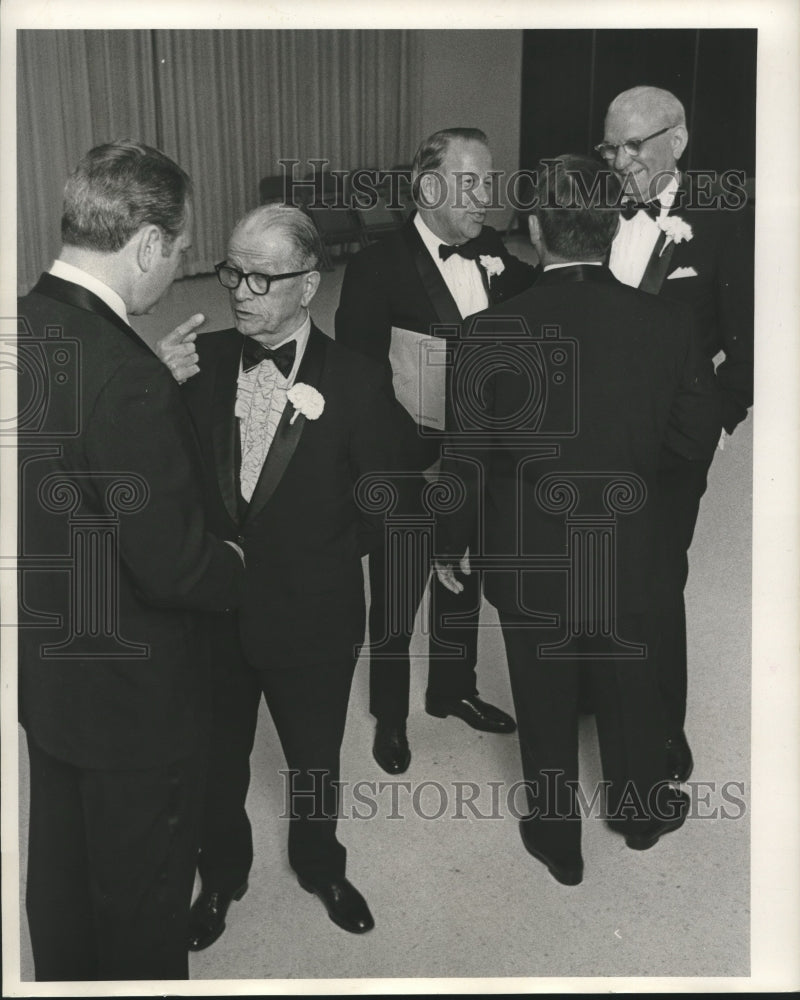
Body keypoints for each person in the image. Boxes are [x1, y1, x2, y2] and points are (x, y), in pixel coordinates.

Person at [435, 155, 722, 885]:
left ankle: (558, 839)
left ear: (533, 230)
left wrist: (451, 544)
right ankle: (639, 814)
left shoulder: (485, 332)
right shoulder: (668, 323)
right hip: (630, 549)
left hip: (528, 554)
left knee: (542, 686)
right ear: (612, 225)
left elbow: (466, 461)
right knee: (630, 678)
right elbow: (692, 442)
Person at [17, 140, 246, 981]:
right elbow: (175, 568)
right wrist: (239, 562)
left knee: (64, 893)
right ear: (146, 244)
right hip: (136, 705)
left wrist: (142, 382)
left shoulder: (24, 327)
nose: (178, 266)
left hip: (54, 680)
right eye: (182, 250)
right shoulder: (129, 385)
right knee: (144, 908)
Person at [158, 205, 404, 947]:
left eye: (263, 277)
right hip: (214, 618)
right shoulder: (194, 366)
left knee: (314, 759)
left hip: (315, 617)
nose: (241, 291)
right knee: (215, 760)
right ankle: (223, 872)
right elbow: (159, 487)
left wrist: (317, 556)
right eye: (234, 271)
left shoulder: (359, 381)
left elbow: (388, 499)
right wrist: (152, 389)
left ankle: (319, 862)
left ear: (309, 285)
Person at [335, 127, 537, 775]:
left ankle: (453, 690)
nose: (487, 197)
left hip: (479, 466)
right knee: (395, 598)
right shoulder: (375, 268)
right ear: (428, 188)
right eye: (471, 182)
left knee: (465, 579)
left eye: (490, 180)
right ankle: (390, 718)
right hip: (406, 468)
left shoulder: (497, 257)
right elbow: (360, 383)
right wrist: (418, 463)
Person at [598, 85, 754, 781]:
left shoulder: (727, 220)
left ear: (678, 141)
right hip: (599, 430)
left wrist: (720, 417)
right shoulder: (599, 209)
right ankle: (592, 695)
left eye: (635, 144)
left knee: (658, 579)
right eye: (612, 146)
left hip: (673, 441)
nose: (621, 160)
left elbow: (750, 341)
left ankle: (662, 724)